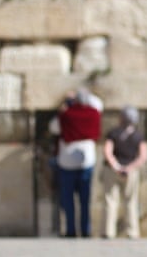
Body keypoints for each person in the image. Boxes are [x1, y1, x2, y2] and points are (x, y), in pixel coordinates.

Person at [49, 88, 103, 238]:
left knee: (68, 200)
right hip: (87, 161)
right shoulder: (94, 112)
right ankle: (86, 230)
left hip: (67, 162)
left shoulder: (65, 115)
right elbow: (99, 103)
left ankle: (71, 230)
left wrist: (67, 103)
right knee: (85, 200)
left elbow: (53, 128)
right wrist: (84, 95)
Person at [101, 105, 147, 239]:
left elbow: (107, 152)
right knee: (131, 201)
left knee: (110, 200)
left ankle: (108, 231)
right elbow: (143, 156)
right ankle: (132, 231)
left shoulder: (113, 133)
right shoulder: (138, 135)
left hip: (113, 170)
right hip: (130, 170)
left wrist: (116, 166)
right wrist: (129, 168)